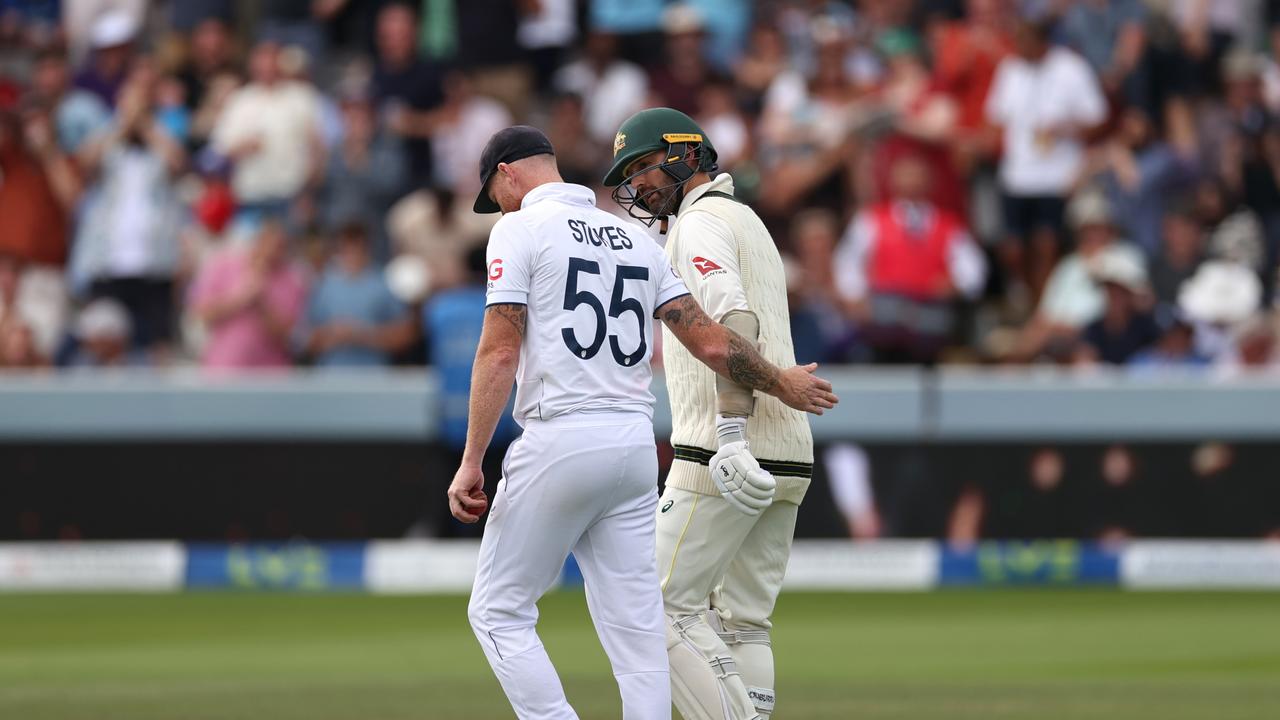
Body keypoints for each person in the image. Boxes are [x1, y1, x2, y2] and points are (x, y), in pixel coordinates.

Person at [453, 125, 836, 720]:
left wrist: (472, 459)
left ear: (507, 173)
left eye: (493, 194)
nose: (496, 208)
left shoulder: (518, 228)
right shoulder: (635, 236)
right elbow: (711, 341)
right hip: (634, 446)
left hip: (561, 434)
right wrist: (779, 380)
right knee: (638, 632)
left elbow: (500, 350)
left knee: (498, 612)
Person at [602, 107, 822, 720]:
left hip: (723, 449)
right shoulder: (746, 219)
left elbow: (735, 321)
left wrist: (729, 431)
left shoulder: (697, 223)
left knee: (652, 606)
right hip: (787, 453)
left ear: (687, 155)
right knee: (744, 622)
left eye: (645, 165)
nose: (639, 184)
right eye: (630, 172)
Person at [835, 154, 987, 364]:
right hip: (884, 312)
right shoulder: (872, 219)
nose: (912, 181)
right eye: (906, 175)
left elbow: (972, 268)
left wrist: (956, 284)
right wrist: (854, 296)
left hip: (930, 313)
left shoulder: (948, 224)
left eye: (918, 175)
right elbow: (848, 260)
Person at [189, 220, 308, 370]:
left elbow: (290, 336)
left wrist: (261, 305)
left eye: (280, 247)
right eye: (267, 243)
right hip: (224, 371)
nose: (272, 251)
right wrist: (241, 299)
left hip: (272, 376)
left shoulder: (293, 281)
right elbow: (202, 314)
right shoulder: (223, 265)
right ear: (257, 242)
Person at [304, 223, 413, 368]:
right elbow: (305, 340)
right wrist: (331, 334)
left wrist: (361, 335)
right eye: (346, 246)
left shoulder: (384, 282)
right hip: (331, 379)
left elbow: (405, 336)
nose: (352, 252)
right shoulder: (323, 284)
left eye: (357, 245)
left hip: (375, 378)